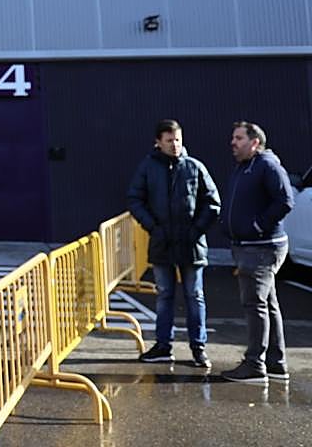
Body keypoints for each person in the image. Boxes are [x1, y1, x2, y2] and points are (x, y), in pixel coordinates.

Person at [126, 119, 221, 368]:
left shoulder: (194, 167)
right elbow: (134, 199)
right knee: (164, 295)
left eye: (177, 139)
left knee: (195, 296)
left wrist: (196, 230)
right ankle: (163, 346)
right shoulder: (148, 167)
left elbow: (212, 203)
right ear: (158, 142)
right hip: (162, 243)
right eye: (169, 140)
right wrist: (153, 227)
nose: (175, 145)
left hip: (191, 244)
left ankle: (198, 348)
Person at [219, 121, 295, 384]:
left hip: (261, 247)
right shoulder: (245, 166)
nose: (233, 142)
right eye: (233, 137)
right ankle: (276, 363)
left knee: (255, 305)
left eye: (239, 138)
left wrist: (258, 226)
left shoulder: (267, 165)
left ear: (255, 142)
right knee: (267, 304)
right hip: (250, 246)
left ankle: (254, 364)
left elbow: (285, 201)